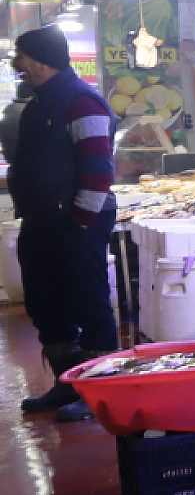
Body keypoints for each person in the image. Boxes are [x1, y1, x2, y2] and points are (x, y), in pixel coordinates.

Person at [9, 25, 118, 421]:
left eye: (20, 56)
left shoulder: (80, 102)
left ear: (39, 60)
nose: (15, 64)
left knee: (88, 304)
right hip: (42, 221)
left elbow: (97, 169)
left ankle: (99, 393)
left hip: (77, 222)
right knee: (46, 303)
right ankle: (67, 383)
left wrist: (80, 222)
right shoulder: (41, 102)